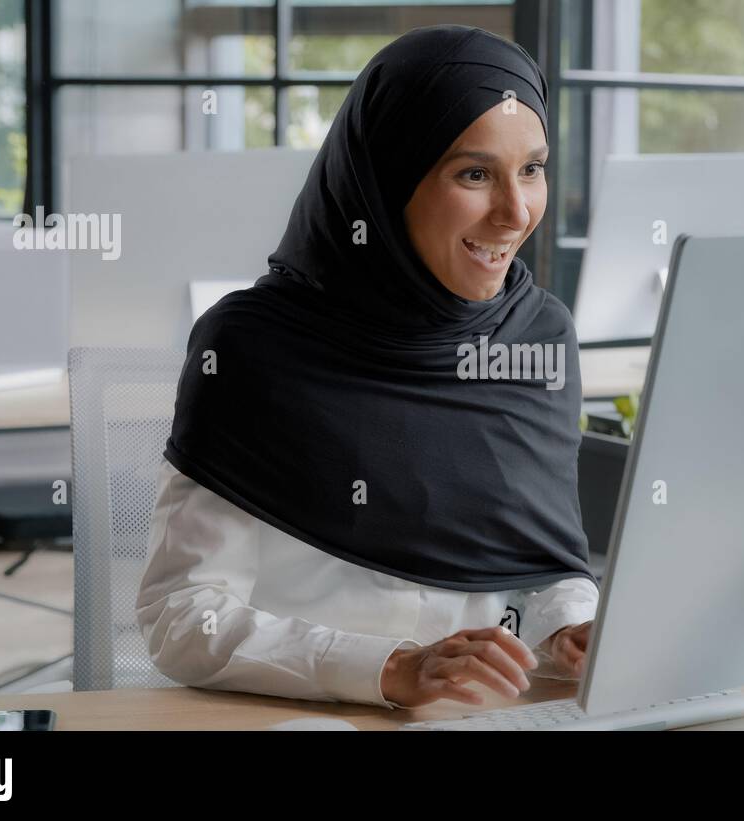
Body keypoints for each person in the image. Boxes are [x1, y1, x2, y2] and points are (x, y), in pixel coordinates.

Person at [136, 24, 599, 711]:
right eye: (474, 173)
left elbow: (533, 554)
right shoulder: (250, 348)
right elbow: (183, 615)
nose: (516, 212)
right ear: (385, 184)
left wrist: (567, 623)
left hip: (483, 720)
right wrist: (388, 667)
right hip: (300, 721)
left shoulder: (537, 336)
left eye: (531, 168)